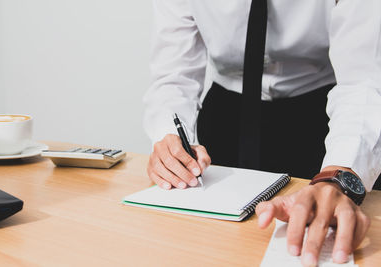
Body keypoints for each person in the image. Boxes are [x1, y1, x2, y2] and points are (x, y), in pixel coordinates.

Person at [143, 1, 381, 266]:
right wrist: (169, 138)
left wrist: (339, 175)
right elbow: (174, 77)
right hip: (227, 117)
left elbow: (363, 79)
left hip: (323, 118)